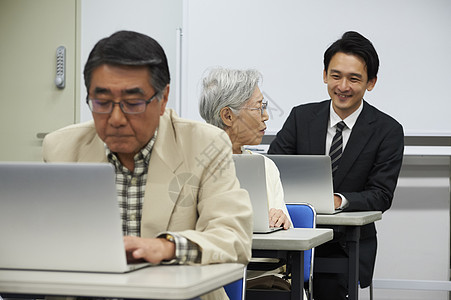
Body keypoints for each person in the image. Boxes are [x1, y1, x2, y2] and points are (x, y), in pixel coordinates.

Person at [42, 30, 253, 300]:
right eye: (102, 102)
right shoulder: (61, 148)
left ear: (163, 98)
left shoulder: (204, 144)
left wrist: (167, 247)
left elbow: (233, 238)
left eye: (133, 103)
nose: (116, 118)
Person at [268, 31, 404, 299]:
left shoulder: (387, 130)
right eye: (336, 75)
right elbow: (271, 170)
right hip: (292, 235)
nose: (343, 86)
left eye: (354, 78)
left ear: (371, 82)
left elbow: (382, 195)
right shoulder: (301, 117)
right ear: (324, 75)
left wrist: (338, 200)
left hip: (345, 245)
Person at [199, 67, 295, 291]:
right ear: (228, 116)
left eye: (265, 106)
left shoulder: (266, 167)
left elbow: (287, 234)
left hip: (262, 277)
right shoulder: (190, 164)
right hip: (207, 278)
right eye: (259, 107)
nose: (266, 115)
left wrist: (280, 219)